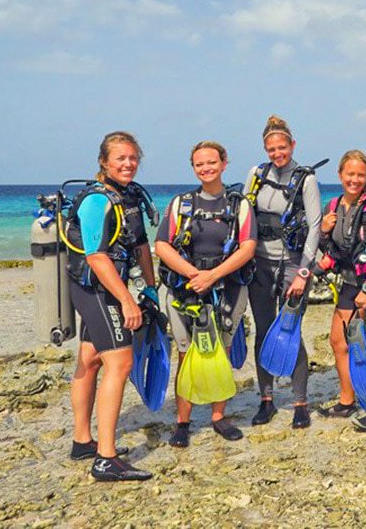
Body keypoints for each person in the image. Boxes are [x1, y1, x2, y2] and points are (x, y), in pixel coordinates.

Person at [65, 131, 156, 481]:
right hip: (96, 289)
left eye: (133, 157)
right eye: (120, 158)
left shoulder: (130, 196)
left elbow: (142, 245)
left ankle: (82, 441)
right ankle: (106, 458)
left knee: (89, 360)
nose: (128, 163)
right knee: (121, 362)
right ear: (104, 161)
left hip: (108, 288)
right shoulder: (96, 201)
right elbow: (96, 255)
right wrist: (127, 299)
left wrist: (150, 287)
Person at [155, 141, 256, 447]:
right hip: (185, 289)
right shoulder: (181, 204)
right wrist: (192, 274)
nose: (206, 168)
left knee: (220, 353)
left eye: (212, 162)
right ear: (193, 168)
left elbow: (248, 247)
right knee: (186, 354)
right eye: (200, 164)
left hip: (227, 287)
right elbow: (162, 246)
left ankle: (218, 416)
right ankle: (182, 421)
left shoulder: (239, 204)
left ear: (224, 164)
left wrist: (213, 275)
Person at [244, 115, 322, 429]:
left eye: (283, 147)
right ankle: (266, 400)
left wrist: (304, 272)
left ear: (293, 145)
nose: (278, 153)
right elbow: (245, 214)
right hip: (260, 264)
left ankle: (300, 402)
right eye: (272, 149)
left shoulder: (307, 179)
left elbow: (315, 226)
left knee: (290, 330)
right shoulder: (256, 174)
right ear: (265, 149)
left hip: (293, 265)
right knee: (263, 332)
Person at [316, 150, 366, 430]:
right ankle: (347, 400)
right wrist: (324, 231)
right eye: (349, 174)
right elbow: (332, 252)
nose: (354, 179)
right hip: (350, 283)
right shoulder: (334, 205)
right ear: (340, 175)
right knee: (338, 342)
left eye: (360, 175)